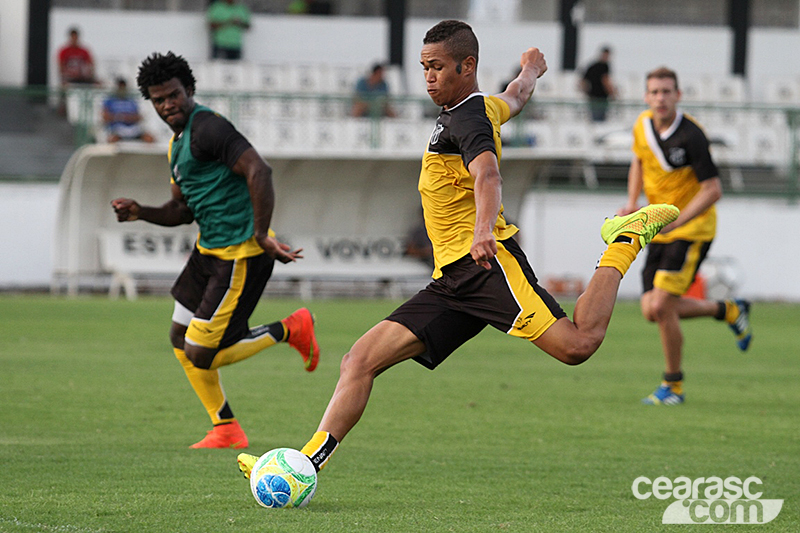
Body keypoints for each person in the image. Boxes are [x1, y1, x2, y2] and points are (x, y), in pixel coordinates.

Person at [237, 20, 679, 483]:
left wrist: (484, 229)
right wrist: (531, 69)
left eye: (437, 67)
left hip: (486, 265)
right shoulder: (478, 108)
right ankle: (305, 464)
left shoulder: (466, 119)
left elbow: (487, 175)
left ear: (467, 67)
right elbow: (515, 96)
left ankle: (625, 240)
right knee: (359, 360)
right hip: (451, 281)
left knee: (578, 344)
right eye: (424, 67)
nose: (428, 76)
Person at [110, 52, 320, 449]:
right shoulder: (177, 145)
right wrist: (141, 213)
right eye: (158, 100)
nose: (167, 104)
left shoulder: (207, 127)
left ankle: (290, 328)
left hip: (241, 254)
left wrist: (260, 233)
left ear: (188, 90)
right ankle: (225, 427)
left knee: (201, 353)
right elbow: (181, 210)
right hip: (208, 252)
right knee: (178, 337)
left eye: (173, 95)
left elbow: (259, 170)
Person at [618, 66, 752, 406]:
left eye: (667, 91)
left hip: (692, 228)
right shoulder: (642, 127)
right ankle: (728, 310)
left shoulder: (692, 135)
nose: (660, 98)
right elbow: (638, 161)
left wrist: (677, 224)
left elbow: (712, 190)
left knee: (662, 305)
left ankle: (673, 386)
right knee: (651, 309)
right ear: (646, 97)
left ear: (678, 95)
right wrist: (633, 204)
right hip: (658, 226)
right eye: (654, 92)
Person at [57, 27, 98, 115]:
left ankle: (91, 108)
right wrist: (64, 76)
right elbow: (61, 66)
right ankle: (64, 110)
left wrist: (90, 74)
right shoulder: (64, 51)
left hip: (81, 77)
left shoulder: (83, 51)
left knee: (97, 84)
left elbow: (91, 63)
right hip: (70, 77)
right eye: (72, 37)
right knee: (64, 89)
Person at [102, 77, 155, 143]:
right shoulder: (109, 101)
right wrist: (125, 117)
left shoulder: (131, 101)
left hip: (133, 128)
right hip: (117, 128)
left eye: (123, 87)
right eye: (120, 87)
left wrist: (119, 117)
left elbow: (138, 117)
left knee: (149, 138)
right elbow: (105, 117)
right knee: (112, 139)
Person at [581, 46, 616, 122]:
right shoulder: (604, 66)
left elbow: (582, 81)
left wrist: (587, 92)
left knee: (594, 119)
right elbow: (605, 81)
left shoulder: (592, 66)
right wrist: (612, 93)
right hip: (601, 97)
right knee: (600, 121)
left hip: (593, 97)